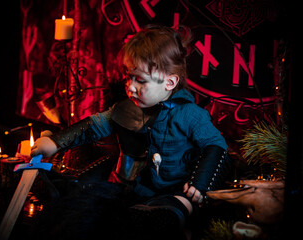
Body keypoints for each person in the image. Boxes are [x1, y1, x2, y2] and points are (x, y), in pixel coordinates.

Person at [31, 25, 230, 237]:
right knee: (89, 203)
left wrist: (200, 185)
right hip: (133, 190)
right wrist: (55, 142)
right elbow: (94, 125)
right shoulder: (126, 108)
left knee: (180, 205)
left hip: (174, 190)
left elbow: (215, 145)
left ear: (170, 82)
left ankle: (160, 219)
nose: (131, 86)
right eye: (128, 77)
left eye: (140, 80)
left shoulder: (191, 114)